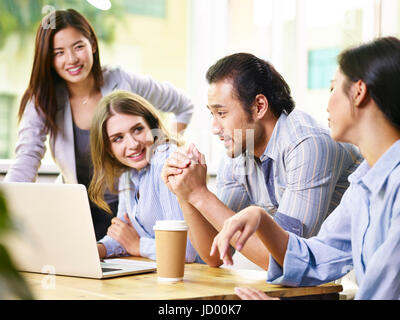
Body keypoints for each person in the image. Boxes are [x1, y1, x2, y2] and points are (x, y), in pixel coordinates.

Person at [210, 36, 400, 300]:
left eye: (333, 89)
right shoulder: (364, 181)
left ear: (358, 92)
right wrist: (263, 221)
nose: (327, 104)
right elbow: (316, 258)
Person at [4, 9, 194, 241]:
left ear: (92, 44)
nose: (71, 59)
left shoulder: (123, 81)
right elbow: (27, 156)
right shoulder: (44, 99)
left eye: (78, 46)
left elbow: (183, 105)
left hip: (130, 210)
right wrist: (7, 204)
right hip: (79, 212)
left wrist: (156, 152)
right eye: (59, 52)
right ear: (49, 59)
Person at [161, 53, 361, 269]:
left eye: (222, 113)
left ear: (259, 106)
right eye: (212, 114)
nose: (215, 128)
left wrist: (200, 194)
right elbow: (215, 254)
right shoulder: (239, 151)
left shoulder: (307, 144)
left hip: (355, 277)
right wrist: (185, 193)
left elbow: (288, 258)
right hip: (309, 281)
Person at [89, 90, 198, 261]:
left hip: (194, 277)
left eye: (138, 129)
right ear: (108, 148)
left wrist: (138, 246)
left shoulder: (167, 162)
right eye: (118, 138)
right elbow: (122, 234)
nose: (132, 144)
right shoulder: (127, 172)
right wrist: (96, 250)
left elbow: (185, 250)